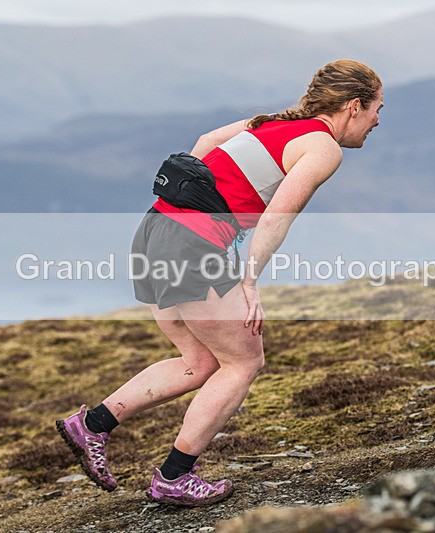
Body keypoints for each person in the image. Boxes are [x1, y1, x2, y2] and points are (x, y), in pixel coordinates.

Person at [57, 59, 383, 506]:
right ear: (353, 106)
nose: (377, 121)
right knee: (244, 361)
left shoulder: (272, 123)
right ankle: (174, 477)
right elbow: (278, 216)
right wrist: (249, 281)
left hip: (154, 229)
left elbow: (206, 142)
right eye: (377, 109)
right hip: (191, 245)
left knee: (199, 361)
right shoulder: (324, 148)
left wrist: (205, 203)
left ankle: (91, 425)